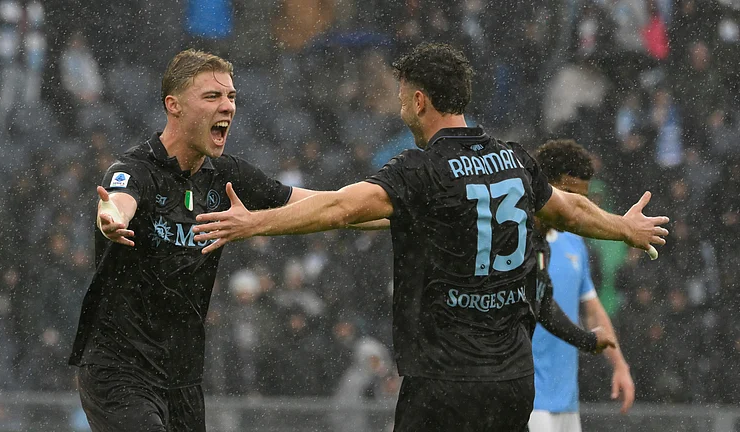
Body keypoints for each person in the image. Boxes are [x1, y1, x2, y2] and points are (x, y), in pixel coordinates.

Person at [192, 43, 669, 431]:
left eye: (403, 98)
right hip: (512, 380)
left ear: (420, 101)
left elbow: (341, 208)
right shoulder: (515, 160)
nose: (401, 109)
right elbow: (570, 210)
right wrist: (624, 227)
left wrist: (255, 223)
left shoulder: (421, 171)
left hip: (446, 380)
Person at [68, 49, 332, 432]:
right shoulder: (135, 169)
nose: (227, 106)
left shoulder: (226, 176)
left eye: (231, 96)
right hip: (119, 370)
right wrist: (113, 218)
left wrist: (382, 207)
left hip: (182, 377)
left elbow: (322, 205)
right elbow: (118, 201)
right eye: (212, 96)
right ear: (173, 106)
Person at [528, 139, 636, 432]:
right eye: (571, 195)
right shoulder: (516, 242)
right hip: (529, 399)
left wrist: (619, 364)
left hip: (567, 401)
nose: (578, 207)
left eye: (583, 199)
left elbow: (592, 310)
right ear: (546, 186)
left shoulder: (575, 244)